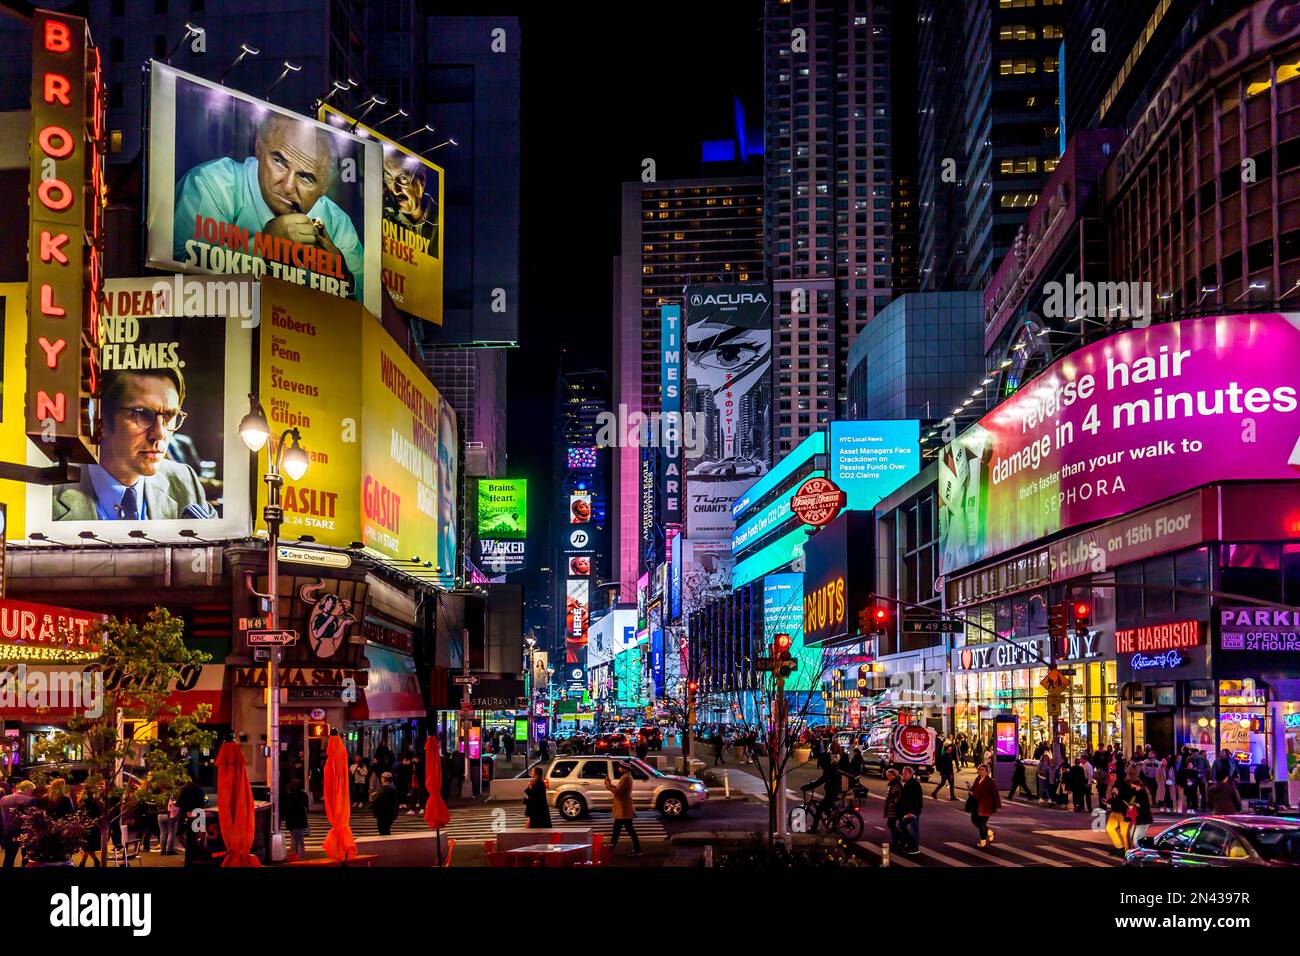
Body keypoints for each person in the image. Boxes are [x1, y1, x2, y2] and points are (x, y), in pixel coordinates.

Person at [172, 113, 365, 302]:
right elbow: (174, 270)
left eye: (306, 178)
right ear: (258, 148)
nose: (288, 187)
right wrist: (264, 247)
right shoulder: (212, 183)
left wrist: (344, 277)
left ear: (324, 188)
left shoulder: (337, 222)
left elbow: (370, 309)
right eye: (279, 162)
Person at [53, 368, 216, 521]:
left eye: (169, 415)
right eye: (141, 414)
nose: (160, 434)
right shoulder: (48, 496)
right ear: (99, 420)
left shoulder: (184, 480)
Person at [603, 762, 642, 856]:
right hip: (623, 807)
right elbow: (619, 790)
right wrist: (610, 784)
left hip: (623, 808)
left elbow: (617, 792)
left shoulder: (625, 778)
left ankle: (610, 851)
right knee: (624, 829)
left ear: (624, 768)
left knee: (618, 830)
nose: (619, 768)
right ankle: (637, 849)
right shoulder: (627, 776)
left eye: (620, 767)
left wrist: (608, 784)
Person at [801, 753, 845, 834]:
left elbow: (820, 781)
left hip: (833, 794)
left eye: (821, 765)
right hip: (834, 793)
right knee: (827, 808)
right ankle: (833, 824)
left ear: (824, 763)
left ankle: (814, 829)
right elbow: (821, 780)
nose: (821, 767)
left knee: (819, 809)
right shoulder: (831, 767)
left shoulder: (829, 770)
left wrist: (807, 786)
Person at [1, 781, 36, 867]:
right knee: (26, 858)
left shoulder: (4, 799)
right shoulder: (31, 800)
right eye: (32, 790)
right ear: (27, 788)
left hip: (9, 831)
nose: (32, 793)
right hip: (25, 832)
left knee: (9, 857)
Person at [968, 763, 1001, 848]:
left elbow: (995, 794)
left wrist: (996, 805)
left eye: (983, 770)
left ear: (987, 772)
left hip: (986, 806)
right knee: (974, 820)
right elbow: (975, 790)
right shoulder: (977, 779)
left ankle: (982, 842)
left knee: (982, 824)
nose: (980, 771)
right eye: (979, 769)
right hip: (977, 804)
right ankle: (989, 832)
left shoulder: (990, 782)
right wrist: (970, 789)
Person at [176, 778, 207, 867]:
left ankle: (189, 856)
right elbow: (202, 803)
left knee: (181, 834)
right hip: (198, 813)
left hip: (187, 814)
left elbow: (179, 803)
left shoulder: (184, 788)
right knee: (196, 836)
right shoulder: (200, 789)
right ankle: (196, 855)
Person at [898, 766, 923, 854]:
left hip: (913, 812)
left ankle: (915, 848)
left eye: (904, 773)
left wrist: (911, 812)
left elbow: (915, 800)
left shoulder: (914, 784)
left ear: (909, 773)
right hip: (909, 812)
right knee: (901, 825)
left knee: (914, 830)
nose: (902, 775)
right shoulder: (909, 783)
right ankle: (910, 843)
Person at [284, 779, 310, 859]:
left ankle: (294, 856)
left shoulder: (290, 795)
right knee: (301, 839)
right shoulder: (303, 795)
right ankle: (301, 856)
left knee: (294, 839)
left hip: (292, 820)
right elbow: (307, 807)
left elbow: (287, 808)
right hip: (301, 819)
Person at [883, 768, 906, 851]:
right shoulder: (894, 784)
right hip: (892, 809)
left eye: (889, 775)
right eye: (887, 776)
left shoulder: (896, 785)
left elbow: (897, 798)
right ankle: (897, 842)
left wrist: (893, 806)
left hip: (894, 809)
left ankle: (901, 840)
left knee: (891, 824)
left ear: (893, 776)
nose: (887, 777)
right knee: (891, 824)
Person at [372, 772, 400, 836]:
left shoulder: (384, 788)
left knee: (383, 830)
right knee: (386, 829)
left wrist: (374, 798)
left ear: (384, 779)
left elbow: (380, 801)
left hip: (383, 814)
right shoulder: (393, 787)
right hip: (391, 812)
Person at [157, 792, 179, 857]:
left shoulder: (159, 796)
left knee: (162, 833)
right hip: (168, 815)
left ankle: (162, 850)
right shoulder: (171, 795)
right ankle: (169, 850)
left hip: (159, 815)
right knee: (171, 832)